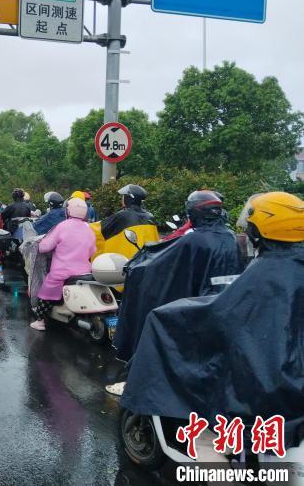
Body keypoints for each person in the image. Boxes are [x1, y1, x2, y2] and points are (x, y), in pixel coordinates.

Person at [121, 192, 304, 456]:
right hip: (283, 365)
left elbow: (222, 312)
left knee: (205, 441)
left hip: (275, 386)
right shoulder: (242, 247)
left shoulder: (267, 273)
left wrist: (141, 277)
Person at [106, 190, 244, 396]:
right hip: (224, 304)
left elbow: (156, 264)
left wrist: (134, 267)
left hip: (197, 305)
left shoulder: (194, 240)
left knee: (154, 323)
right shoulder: (230, 237)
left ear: (193, 213)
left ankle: (136, 380)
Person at [29, 198, 97, 331]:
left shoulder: (62, 226)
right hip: (84, 272)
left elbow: (44, 247)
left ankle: (40, 321)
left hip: (62, 272)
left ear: (67, 210)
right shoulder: (89, 228)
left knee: (45, 294)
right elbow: (92, 251)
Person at [91, 184, 159, 260]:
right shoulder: (150, 216)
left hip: (126, 261)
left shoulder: (123, 215)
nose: (122, 199)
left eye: (124, 196)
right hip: (144, 261)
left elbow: (98, 230)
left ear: (129, 198)